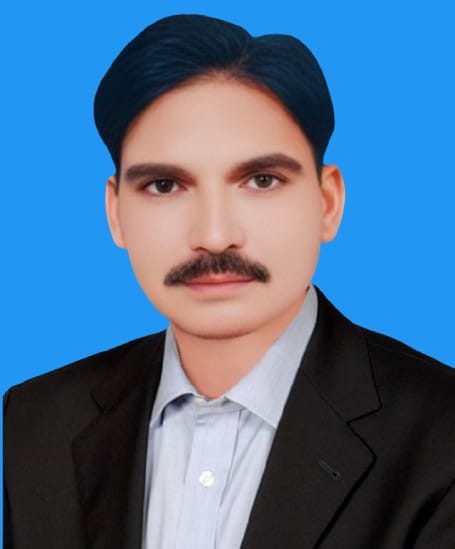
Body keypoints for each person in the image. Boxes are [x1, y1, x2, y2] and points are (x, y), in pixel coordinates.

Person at [3, 13, 455, 549]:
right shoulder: (34, 423)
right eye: (165, 185)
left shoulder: (442, 435)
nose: (215, 237)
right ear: (116, 212)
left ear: (328, 202)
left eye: (261, 180)